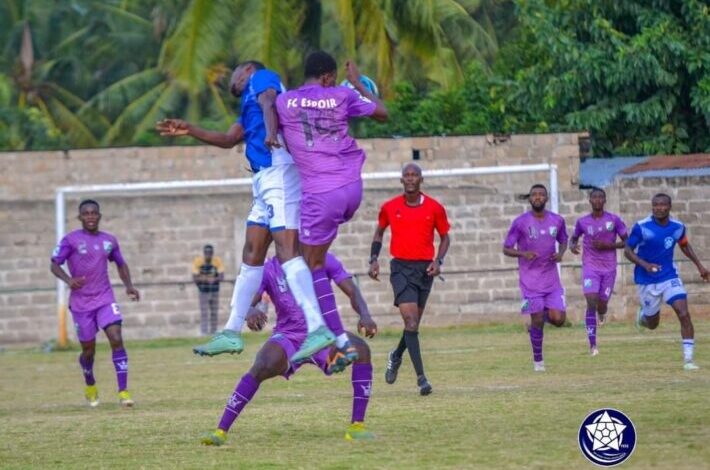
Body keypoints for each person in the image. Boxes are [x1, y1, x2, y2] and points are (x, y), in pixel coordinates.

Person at [156, 60, 335, 358]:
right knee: (251, 254)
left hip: (279, 170)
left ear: (248, 69)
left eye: (235, 72)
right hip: (262, 177)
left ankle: (318, 327)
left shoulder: (261, 78)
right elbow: (228, 140)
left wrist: (270, 132)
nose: (232, 79)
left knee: (286, 251)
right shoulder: (247, 106)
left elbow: (270, 102)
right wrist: (190, 129)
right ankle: (231, 332)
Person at [275, 50, 387, 363]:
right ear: (327, 77)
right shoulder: (340, 95)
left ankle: (323, 333)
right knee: (316, 262)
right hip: (352, 189)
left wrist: (271, 134)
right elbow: (382, 113)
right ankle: (332, 336)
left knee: (304, 266)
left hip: (321, 195)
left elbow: (270, 118)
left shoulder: (285, 102)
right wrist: (357, 85)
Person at [201, 253, 378, 446]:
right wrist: (250, 311)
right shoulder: (269, 268)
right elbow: (247, 299)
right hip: (289, 336)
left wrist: (365, 315)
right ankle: (220, 431)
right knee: (262, 365)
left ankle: (357, 427)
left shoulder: (322, 258)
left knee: (361, 350)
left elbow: (352, 290)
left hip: (324, 332)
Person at [368, 163, 450, 395]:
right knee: (411, 323)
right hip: (401, 268)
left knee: (412, 326)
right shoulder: (389, 207)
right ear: (401, 180)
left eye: (415, 175)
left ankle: (396, 355)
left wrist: (439, 261)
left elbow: (445, 238)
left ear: (421, 179)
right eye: (407, 175)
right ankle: (421, 379)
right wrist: (373, 259)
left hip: (425, 270)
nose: (411, 179)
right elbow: (379, 233)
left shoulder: (435, 208)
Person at [50, 199, 140, 407]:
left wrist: (129, 286)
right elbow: (54, 264)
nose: (90, 216)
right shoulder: (70, 240)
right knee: (89, 351)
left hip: (105, 298)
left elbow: (120, 263)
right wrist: (68, 280)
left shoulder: (109, 240)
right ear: (80, 217)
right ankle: (90, 381)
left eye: (94, 213)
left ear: (99, 216)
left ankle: (124, 392)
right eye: (86, 213)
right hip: (81, 303)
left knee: (116, 338)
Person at [624, 193, 709, 370]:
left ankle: (688, 360)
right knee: (652, 324)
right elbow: (628, 251)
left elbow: (684, 244)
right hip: (646, 280)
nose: (659, 208)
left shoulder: (677, 227)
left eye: (663, 205)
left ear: (669, 207)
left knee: (683, 312)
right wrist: (645, 264)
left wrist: (700, 266)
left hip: (669, 276)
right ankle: (642, 317)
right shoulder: (642, 227)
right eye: (655, 205)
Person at [503, 184, 568, 372]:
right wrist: (523, 254)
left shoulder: (557, 220)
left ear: (546, 198)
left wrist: (560, 254)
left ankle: (536, 319)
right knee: (537, 319)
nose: (538, 197)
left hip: (551, 279)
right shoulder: (520, 222)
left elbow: (563, 240)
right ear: (530, 199)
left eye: (541, 194)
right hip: (530, 280)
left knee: (558, 319)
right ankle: (538, 362)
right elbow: (506, 248)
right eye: (534, 195)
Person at [569, 188, 628, 355]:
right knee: (591, 301)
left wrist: (609, 246)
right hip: (590, 267)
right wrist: (572, 246)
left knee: (601, 303)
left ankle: (602, 313)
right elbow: (573, 238)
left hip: (609, 268)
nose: (597, 200)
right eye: (594, 197)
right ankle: (593, 345)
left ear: (605, 200)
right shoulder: (582, 222)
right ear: (589, 200)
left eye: (600, 197)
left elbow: (627, 241)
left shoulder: (614, 220)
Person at [192, 245, 225, 335]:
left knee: (214, 311)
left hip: (214, 290)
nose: (208, 255)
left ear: (212, 253)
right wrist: (206, 279)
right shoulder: (198, 261)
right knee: (204, 312)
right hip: (203, 290)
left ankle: (213, 331)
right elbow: (195, 278)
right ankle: (204, 332)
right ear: (204, 253)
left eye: (210, 253)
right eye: (206, 253)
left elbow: (221, 276)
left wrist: (213, 280)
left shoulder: (217, 261)